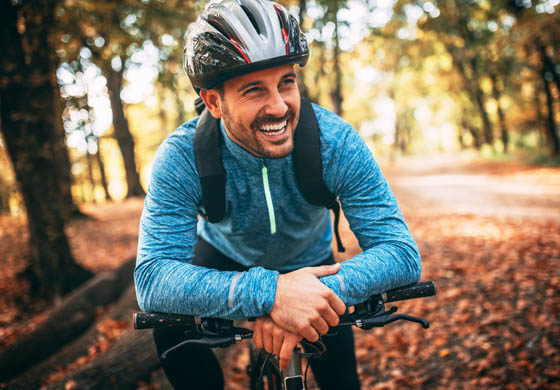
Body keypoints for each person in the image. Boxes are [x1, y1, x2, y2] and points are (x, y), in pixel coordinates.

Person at [134, 0, 421, 388]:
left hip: (314, 267)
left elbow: (401, 252)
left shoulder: (335, 143)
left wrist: (306, 296)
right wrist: (270, 295)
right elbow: (153, 278)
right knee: (171, 333)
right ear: (213, 101)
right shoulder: (182, 156)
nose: (279, 106)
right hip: (225, 258)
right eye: (254, 90)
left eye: (286, 82)